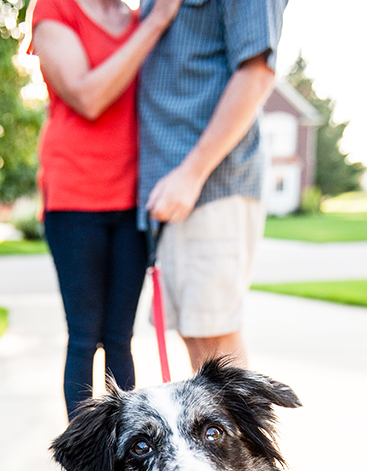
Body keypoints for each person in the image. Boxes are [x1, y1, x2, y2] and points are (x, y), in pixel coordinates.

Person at [28, 0, 182, 419]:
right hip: (74, 197)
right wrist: (156, 25)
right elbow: (87, 96)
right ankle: (82, 469)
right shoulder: (55, 10)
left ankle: (124, 457)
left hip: (132, 199)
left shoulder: (135, 20)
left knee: (119, 338)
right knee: (83, 336)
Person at [138, 0, 288, 370]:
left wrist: (191, 173)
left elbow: (256, 72)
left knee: (214, 339)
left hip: (210, 185)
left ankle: (248, 433)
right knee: (198, 338)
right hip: (174, 194)